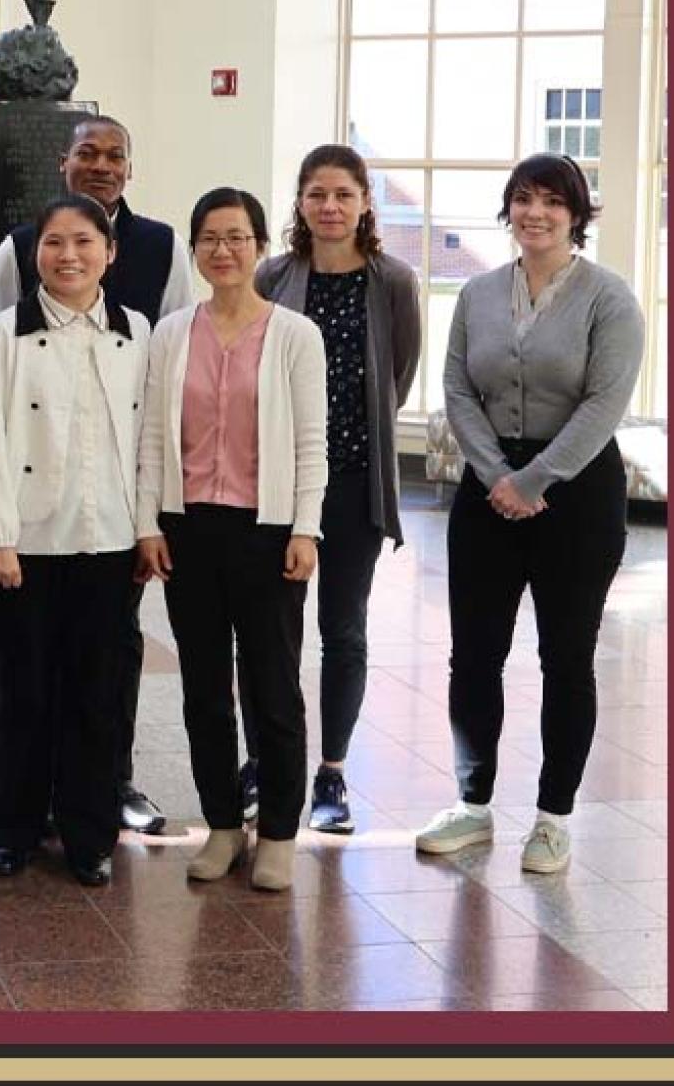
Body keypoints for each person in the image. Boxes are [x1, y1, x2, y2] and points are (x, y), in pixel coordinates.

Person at [413, 153, 644, 875]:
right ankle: (473, 805)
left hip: (576, 494)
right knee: (473, 654)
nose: (534, 213)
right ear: (507, 209)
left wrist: (537, 477)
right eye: (522, 199)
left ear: (576, 213)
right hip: (489, 491)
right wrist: (496, 474)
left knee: (565, 657)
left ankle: (553, 817)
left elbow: (604, 404)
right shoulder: (479, 292)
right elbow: (455, 386)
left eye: (551, 201)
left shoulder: (610, 299)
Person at [0, 115, 198, 835]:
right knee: (29, 675)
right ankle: (22, 815)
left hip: (110, 519)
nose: (102, 165)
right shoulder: (14, 261)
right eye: (88, 153)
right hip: (32, 515)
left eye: (115, 155)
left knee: (105, 673)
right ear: (64, 163)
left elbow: (163, 395)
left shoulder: (157, 263)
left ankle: (106, 798)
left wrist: (150, 521)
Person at [136, 187, 327, 893]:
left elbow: (312, 441)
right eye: (210, 238)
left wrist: (306, 525)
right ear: (195, 250)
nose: (223, 249)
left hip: (269, 529)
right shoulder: (171, 333)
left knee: (273, 686)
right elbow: (154, 438)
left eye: (236, 237)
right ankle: (222, 824)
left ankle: (278, 831)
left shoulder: (293, 335)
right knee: (203, 689)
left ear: (260, 247)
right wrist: (148, 523)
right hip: (190, 530)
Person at [0, 194, 150, 888]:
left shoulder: (136, 329)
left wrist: (148, 526)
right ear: (32, 254)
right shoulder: (5, 331)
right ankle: (12, 829)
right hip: (29, 541)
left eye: (83, 242)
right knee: (26, 691)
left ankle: (88, 833)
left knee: (96, 694)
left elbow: (148, 441)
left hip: (109, 538)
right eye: (53, 243)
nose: (68, 256)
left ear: (110, 252)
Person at [239, 144, 422, 835]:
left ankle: (332, 775)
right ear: (300, 202)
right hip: (275, 486)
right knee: (264, 634)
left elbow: (395, 380)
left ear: (366, 201)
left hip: (352, 485)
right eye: (317, 194)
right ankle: (264, 763)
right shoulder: (274, 274)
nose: (330, 207)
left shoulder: (394, 282)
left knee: (341, 631)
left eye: (344, 194)